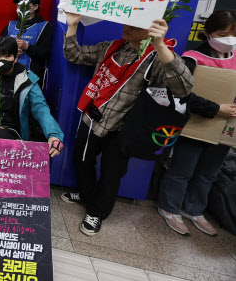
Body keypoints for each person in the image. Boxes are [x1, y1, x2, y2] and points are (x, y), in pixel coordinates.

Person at [61, 12, 194, 236]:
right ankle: (85, 194)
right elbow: (75, 55)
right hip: (92, 117)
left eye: (138, 24)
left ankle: (97, 212)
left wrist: (160, 44)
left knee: (112, 173)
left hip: (124, 127)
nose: (128, 27)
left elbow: (184, 87)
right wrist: (72, 25)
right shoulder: (112, 47)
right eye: (129, 20)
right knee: (81, 160)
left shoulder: (157, 57)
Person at [158, 10, 236, 236]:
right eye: (223, 34)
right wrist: (215, 108)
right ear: (208, 33)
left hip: (225, 129)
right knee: (182, 169)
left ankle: (194, 208)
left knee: (208, 172)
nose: (229, 39)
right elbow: (180, 93)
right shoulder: (193, 58)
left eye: (233, 34)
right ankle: (169, 207)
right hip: (196, 124)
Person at [0, 37, 63, 157]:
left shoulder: (27, 80)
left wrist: (54, 134)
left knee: (2, 136)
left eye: (7, 56)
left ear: (16, 58)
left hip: (12, 130)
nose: (2, 60)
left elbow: (40, 108)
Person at [5, 0, 53, 81]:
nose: (20, 6)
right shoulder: (10, 25)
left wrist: (27, 47)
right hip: (8, 73)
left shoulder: (44, 26)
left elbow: (45, 53)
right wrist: (11, 49)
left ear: (35, 7)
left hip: (29, 77)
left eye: (25, 4)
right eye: (19, 4)